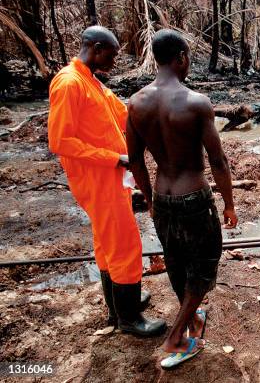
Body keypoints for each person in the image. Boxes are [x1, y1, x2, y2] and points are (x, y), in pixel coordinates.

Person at [126, 29, 238, 368]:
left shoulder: (135, 103)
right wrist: (229, 204)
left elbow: (135, 161)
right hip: (194, 199)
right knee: (203, 268)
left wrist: (149, 199)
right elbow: (218, 161)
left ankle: (192, 317)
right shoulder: (195, 102)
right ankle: (177, 337)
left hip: (162, 197)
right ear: (182, 58)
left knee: (176, 262)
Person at [47, 26, 166, 337]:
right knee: (125, 242)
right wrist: (114, 158)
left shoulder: (92, 83)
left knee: (106, 241)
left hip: (112, 177)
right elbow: (60, 141)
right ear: (96, 48)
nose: (114, 62)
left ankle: (118, 305)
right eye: (111, 55)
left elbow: (124, 114)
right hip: (97, 179)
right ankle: (128, 319)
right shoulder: (69, 84)